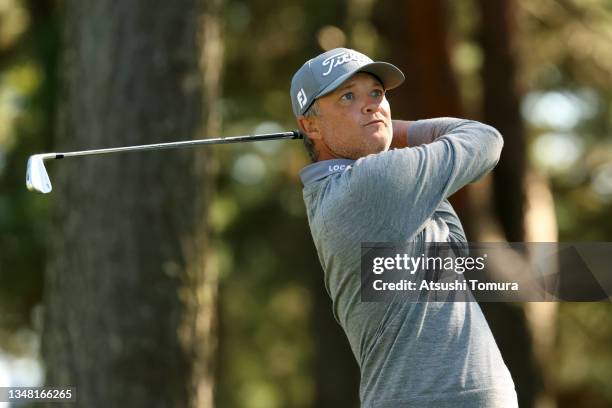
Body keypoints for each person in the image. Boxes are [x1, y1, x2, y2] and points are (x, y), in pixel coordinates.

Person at [290, 48, 518, 407]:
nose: (371, 106)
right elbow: (484, 139)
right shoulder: (370, 185)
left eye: (377, 94)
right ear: (310, 125)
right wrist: (397, 130)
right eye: (348, 96)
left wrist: (377, 130)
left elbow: (452, 248)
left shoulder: (369, 189)